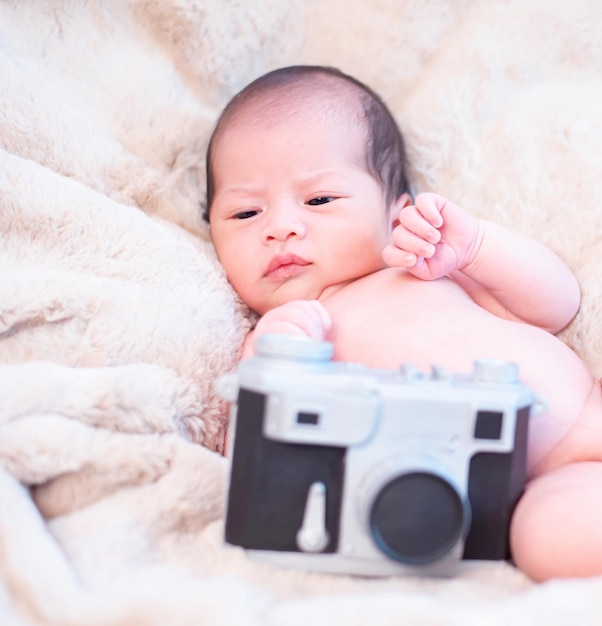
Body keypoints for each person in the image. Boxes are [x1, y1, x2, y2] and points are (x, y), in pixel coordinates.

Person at [205, 64, 602, 582]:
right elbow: (261, 470)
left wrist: (476, 246)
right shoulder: (272, 340)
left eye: (319, 200)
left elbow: (557, 304)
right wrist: (281, 367)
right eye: (245, 214)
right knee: (549, 543)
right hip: (552, 482)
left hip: (591, 400)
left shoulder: (425, 268)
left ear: (397, 215)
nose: (281, 227)